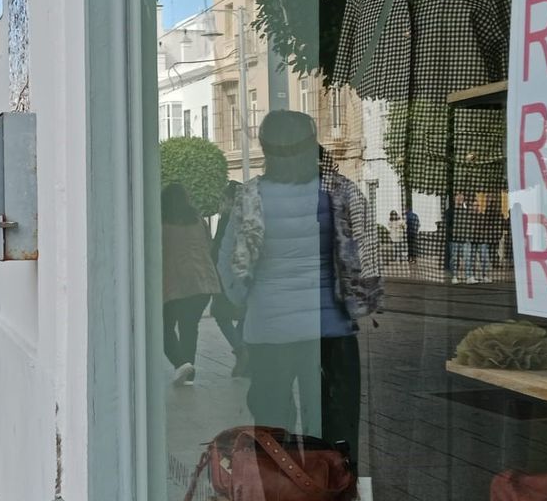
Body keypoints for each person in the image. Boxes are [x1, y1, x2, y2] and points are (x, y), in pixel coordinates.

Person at [217, 111, 382, 455]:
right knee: (335, 426)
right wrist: (360, 303)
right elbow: (367, 254)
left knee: (272, 424)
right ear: (311, 146)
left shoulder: (251, 196)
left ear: (265, 148)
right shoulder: (340, 191)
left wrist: (243, 301)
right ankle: (331, 495)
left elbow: (232, 267)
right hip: (331, 332)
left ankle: (279, 494)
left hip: (269, 331)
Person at [161, 183, 220, 386]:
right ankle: (188, 372)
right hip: (203, 282)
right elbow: (209, 244)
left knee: (164, 327)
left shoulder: (161, 223)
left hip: (174, 283)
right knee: (189, 327)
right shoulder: (198, 220)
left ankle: (180, 364)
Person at [208, 181, 245, 369]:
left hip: (227, 276)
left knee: (221, 315)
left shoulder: (226, 218)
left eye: (224, 199)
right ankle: (243, 351)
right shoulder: (249, 215)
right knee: (244, 313)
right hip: (245, 273)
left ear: (229, 199)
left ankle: (240, 349)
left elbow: (219, 250)